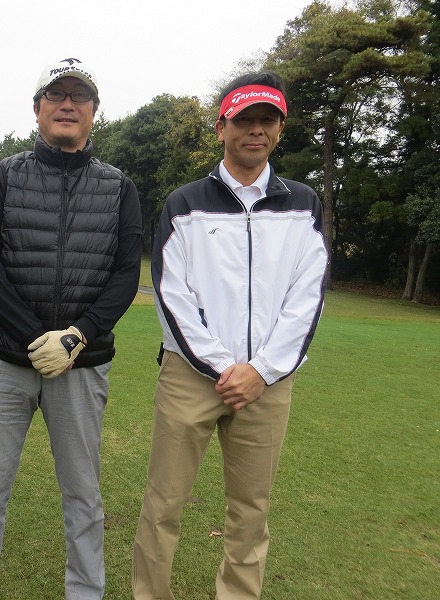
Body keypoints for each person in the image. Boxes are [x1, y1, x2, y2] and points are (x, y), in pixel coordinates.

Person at [132, 71, 328, 600]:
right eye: (244, 120)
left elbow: (307, 296)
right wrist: (225, 367)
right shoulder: (184, 202)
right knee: (164, 503)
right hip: (190, 377)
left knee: (251, 510)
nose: (255, 130)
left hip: (268, 382)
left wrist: (261, 370)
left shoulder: (303, 203)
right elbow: (172, 294)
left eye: (267, 120)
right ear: (222, 127)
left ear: (280, 130)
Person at [0, 58, 142, 600]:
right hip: (3, 363)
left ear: (94, 112)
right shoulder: (6, 175)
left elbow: (126, 274)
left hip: (82, 365)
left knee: (83, 494)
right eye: (55, 95)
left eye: (78, 96)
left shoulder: (119, 186)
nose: (67, 104)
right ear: (37, 109)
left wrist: (76, 335)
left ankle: (85, 592)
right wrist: (35, 336)